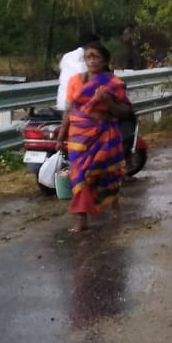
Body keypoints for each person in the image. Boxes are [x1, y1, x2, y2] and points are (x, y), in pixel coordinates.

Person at [56, 41, 132, 233]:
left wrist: (107, 101)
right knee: (79, 176)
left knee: (106, 172)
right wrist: (60, 137)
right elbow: (69, 111)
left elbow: (125, 110)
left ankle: (113, 203)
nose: (91, 61)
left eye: (95, 56)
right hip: (79, 137)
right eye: (88, 57)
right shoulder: (74, 81)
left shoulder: (113, 83)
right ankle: (81, 220)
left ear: (105, 60)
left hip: (104, 134)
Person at [56, 33, 99, 111]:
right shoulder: (90, 61)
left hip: (60, 104)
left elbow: (61, 70)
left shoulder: (66, 56)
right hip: (77, 109)